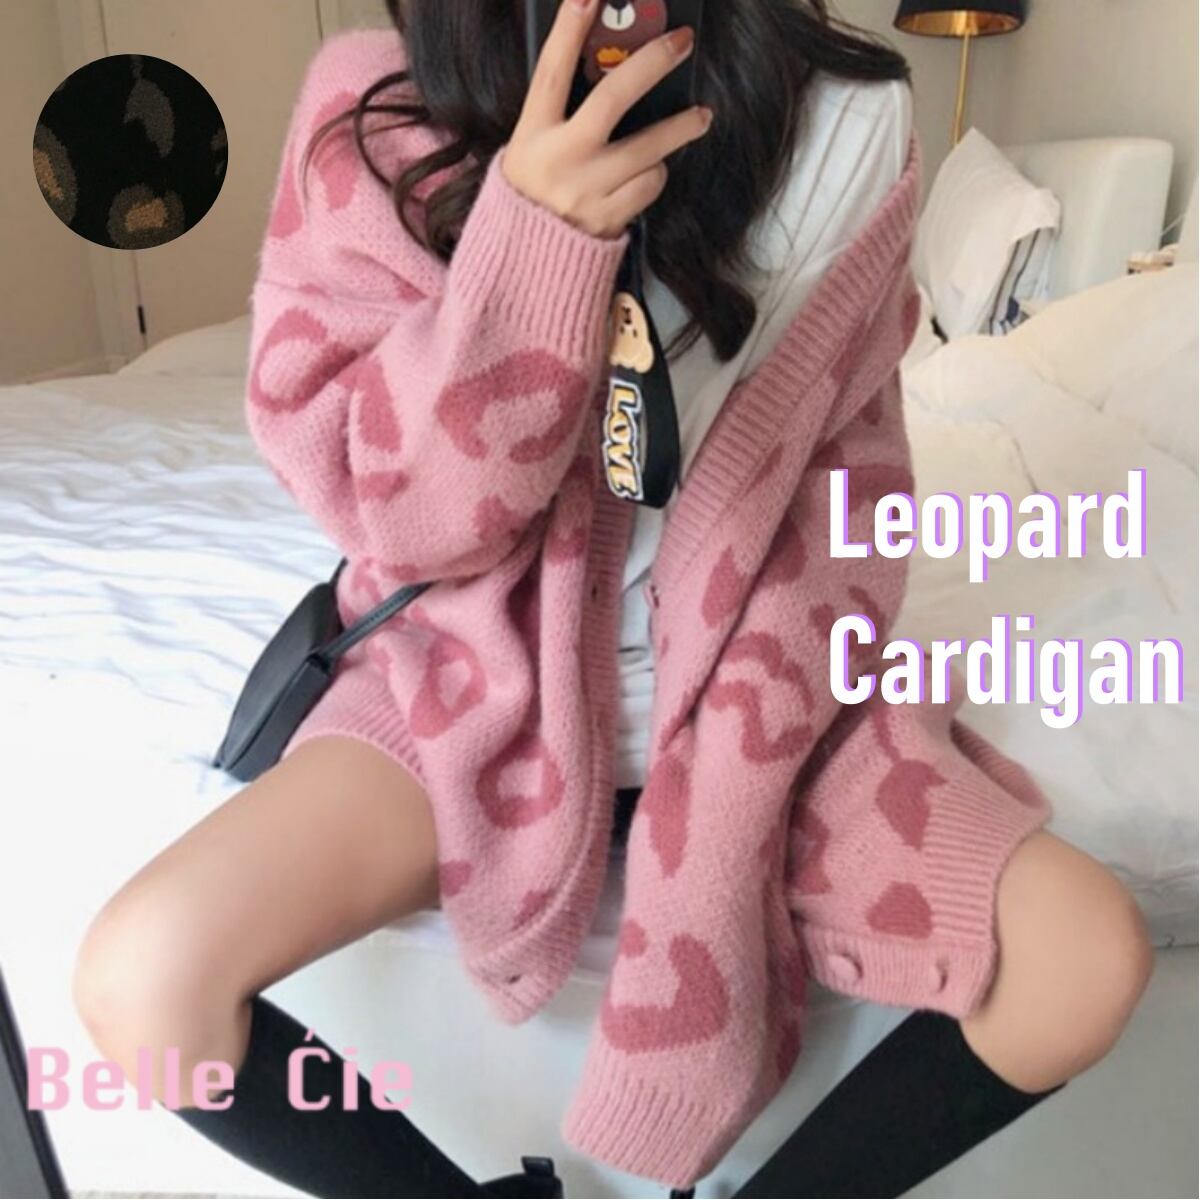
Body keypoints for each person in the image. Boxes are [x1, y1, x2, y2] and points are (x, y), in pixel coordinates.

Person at [71, 2, 1153, 1197]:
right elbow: (401, 518)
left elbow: (848, 485)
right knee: (145, 979)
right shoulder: (373, 109)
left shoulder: (851, 116)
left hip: (764, 703)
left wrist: (736, 759)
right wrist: (531, 245)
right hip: (465, 681)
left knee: (1083, 958)